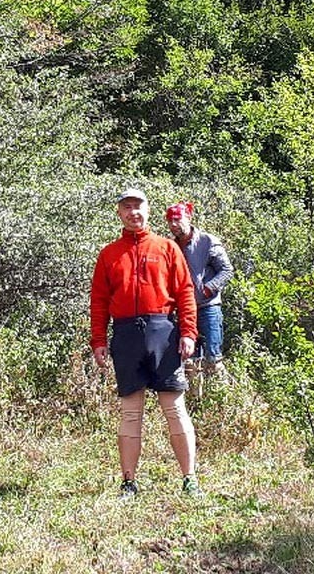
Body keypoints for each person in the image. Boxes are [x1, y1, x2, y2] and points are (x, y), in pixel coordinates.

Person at [89, 188, 201, 499]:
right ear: (119, 213)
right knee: (130, 412)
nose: (133, 213)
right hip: (126, 335)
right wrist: (98, 339)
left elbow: (185, 293)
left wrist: (188, 333)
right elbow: (98, 301)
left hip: (163, 332)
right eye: (126, 208)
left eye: (137, 207)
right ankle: (128, 482)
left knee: (174, 407)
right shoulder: (109, 253)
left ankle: (190, 479)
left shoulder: (166, 248)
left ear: (147, 210)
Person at [164, 202, 238, 370]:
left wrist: (207, 289)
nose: (173, 224)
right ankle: (194, 395)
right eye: (169, 220)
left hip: (208, 307)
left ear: (188, 218)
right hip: (182, 311)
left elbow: (226, 270)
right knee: (188, 361)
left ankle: (220, 393)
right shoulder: (169, 246)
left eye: (177, 219)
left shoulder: (208, 241)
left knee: (213, 359)